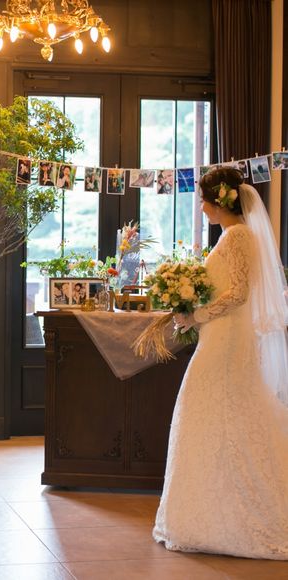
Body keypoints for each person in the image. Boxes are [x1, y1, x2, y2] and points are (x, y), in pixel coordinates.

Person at [153, 166, 288, 559]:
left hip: (227, 341)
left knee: (218, 409)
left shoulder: (238, 235)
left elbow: (239, 293)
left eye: (202, 199)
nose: (200, 206)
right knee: (212, 414)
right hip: (219, 337)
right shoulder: (230, 236)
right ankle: (211, 510)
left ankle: (242, 515)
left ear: (220, 201)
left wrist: (196, 314)